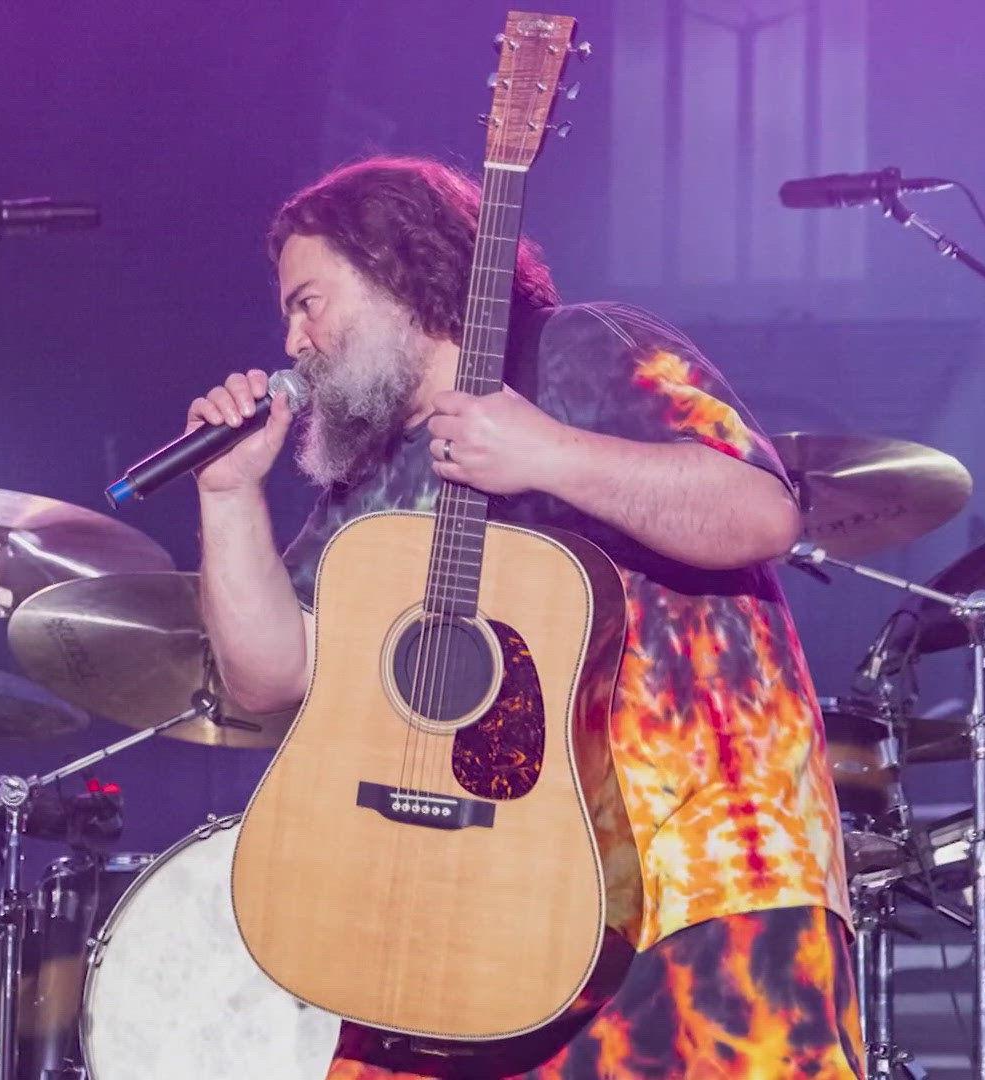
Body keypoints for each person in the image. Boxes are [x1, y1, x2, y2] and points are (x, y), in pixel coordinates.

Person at [191, 157, 861, 1078]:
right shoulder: (372, 471)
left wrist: (550, 454)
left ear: (394, 270)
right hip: (466, 909)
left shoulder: (580, 346)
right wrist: (228, 497)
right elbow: (271, 676)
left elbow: (761, 513)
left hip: (698, 880)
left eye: (308, 302)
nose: (293, 340)